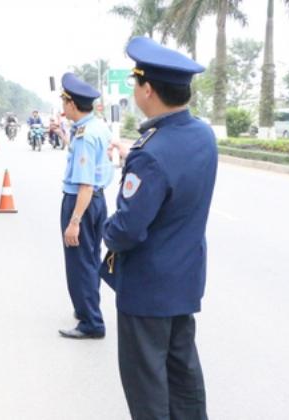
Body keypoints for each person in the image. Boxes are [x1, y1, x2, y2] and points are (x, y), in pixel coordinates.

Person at [102, 37, 216, 419]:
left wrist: (106, 229)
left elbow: (128, 230)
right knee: (183, 377)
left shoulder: (150, 153)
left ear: (147, 89)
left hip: (148, 289)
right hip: (184, 280)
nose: (135, 90)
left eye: (136, 83)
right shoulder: (203, 136)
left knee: (147, 385)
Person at [57, 72, 114, 339]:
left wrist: (74, 221)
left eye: (63, 101)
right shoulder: (96, 127)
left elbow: (85, 185)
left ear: (71, 104)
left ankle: (91, 322)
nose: (62, 106)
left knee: (80, 263)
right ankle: (86, 310)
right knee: (90, 258)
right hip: (97, 201)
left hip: (82, 201)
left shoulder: (85, 136)